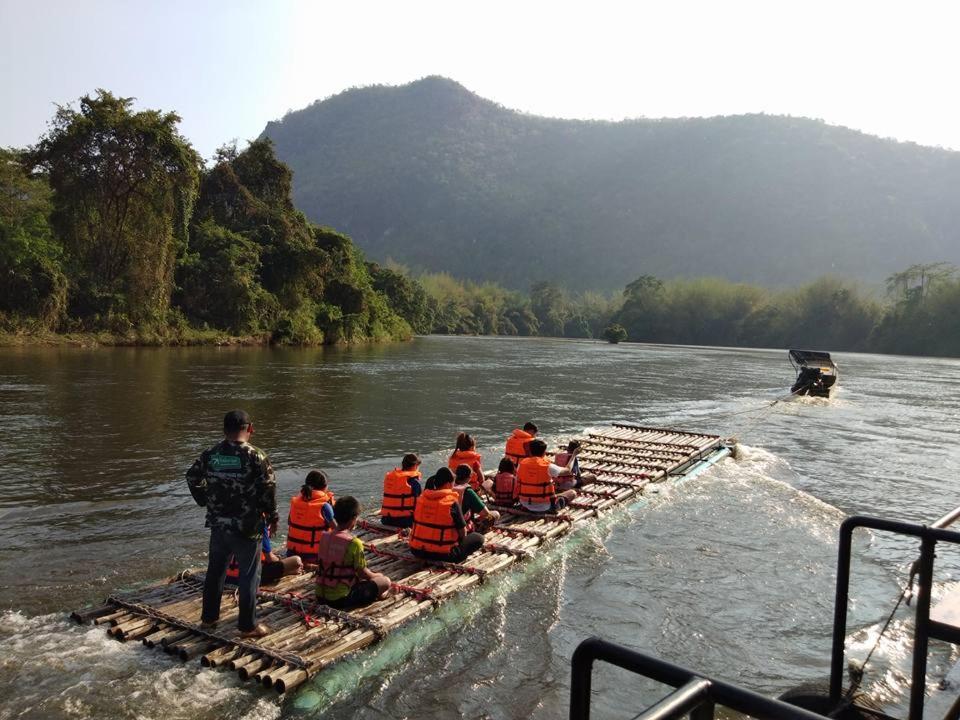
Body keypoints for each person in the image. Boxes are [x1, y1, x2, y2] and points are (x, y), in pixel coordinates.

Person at [186, 409, 278, 638]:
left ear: (224, 430)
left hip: (218, 524)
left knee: (215, 572)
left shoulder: (211, 454)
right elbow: (268, 489)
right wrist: (273, 516)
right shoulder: (256, 455)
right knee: (249, 575)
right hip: (247, 527)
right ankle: (247, 626)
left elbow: (192, 477)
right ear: (250, 429)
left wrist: (205, 501)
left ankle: (209, 620)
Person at [315, 496, 391, 609]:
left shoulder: (324, 536)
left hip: (320, 596)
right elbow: (363, 574)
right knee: (385, 581)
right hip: (340, 600)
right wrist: (377, 575)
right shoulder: (354, 543)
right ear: (353, 519)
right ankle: (382, 594)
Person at [409, 467, 485, 562]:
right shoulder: (451, 502)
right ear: (448, 484)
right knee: (479, 538)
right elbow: (463, 532)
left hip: (416, 550)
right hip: (442, 554)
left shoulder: (421, 500)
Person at [227, 521, 303, 586]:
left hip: (227, 577)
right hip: (249, 578)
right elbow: (270, 559)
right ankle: (288, 572)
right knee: (296, 560)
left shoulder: (229, 521)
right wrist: (280, 559)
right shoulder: (260, 525)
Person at [286, 470, 336, 564]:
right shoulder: (324, 506)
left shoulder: (295, 503)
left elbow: (290, 522)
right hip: (314, 556)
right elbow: (337, 530)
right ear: (325, 487)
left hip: (292, 553)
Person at [517, 439, 577, 513]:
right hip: (544, 507)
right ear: (544, 452)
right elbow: (568, 471)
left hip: (524, 503)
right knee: (572, 493)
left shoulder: (521, 464)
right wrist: (573, 456)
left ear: (530, 451)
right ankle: (555, 507)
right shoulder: (547, 466)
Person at [380, 453, 423, 528]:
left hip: (386, 519)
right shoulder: (415, 483)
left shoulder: (390, 478)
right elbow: (419, 506)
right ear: (415, 466)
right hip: (405, 522)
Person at [453, 464, 500, 530]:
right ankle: (479, 527)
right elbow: (486, 514)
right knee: (494, 515)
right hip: (462, 528)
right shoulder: (467, 491)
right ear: (469, 477)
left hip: (448, 524)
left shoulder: (449, 487)